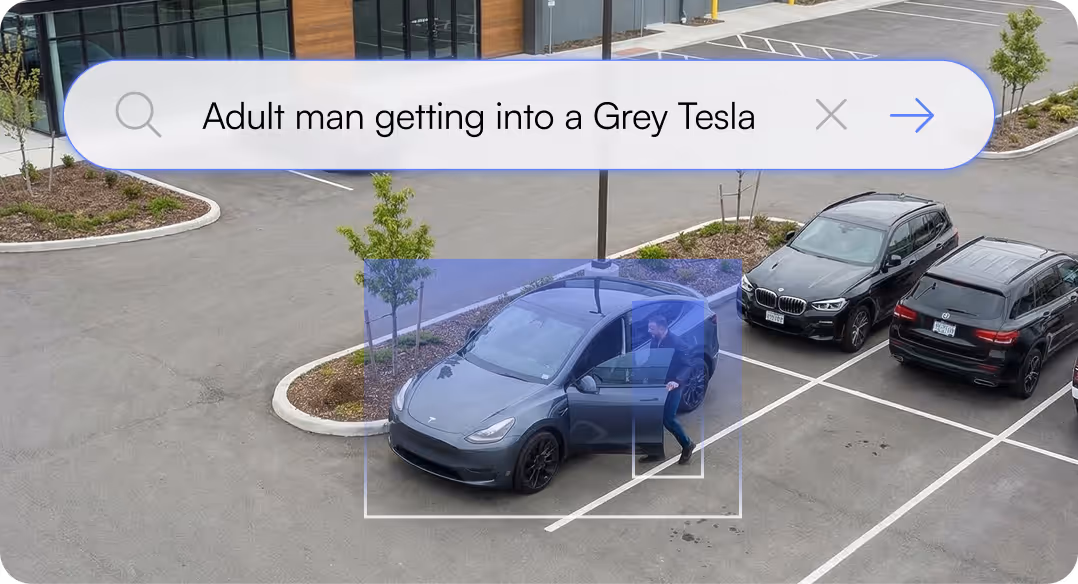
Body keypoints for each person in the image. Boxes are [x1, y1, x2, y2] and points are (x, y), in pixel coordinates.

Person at [639, 314, 697, 465]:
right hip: (659, 384)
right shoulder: (655, 340)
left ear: (662, 328)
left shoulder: (677, 344)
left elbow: (688, 365)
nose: (648, 330)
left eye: (651, 328)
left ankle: (687, 444)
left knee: (668, 419)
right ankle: (655, 453)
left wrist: (677, 381)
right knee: (652, 417)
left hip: (673, 387)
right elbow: (653, 360)